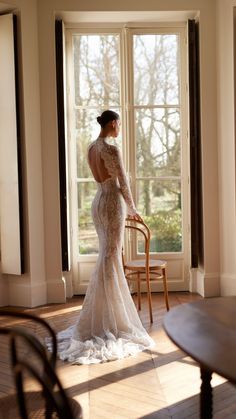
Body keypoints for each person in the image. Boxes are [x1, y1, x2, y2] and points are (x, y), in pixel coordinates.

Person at [54, 110, 154, 364]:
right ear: (112, 123)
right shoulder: (111, 150)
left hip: (98, 201)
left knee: (106, 256)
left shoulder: (90, 148)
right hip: (112, 203)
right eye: (119, 123)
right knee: (110, 257)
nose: (119, 128)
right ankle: (109, 318)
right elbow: (123, 183)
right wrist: (133, 209)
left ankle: (101, 313)